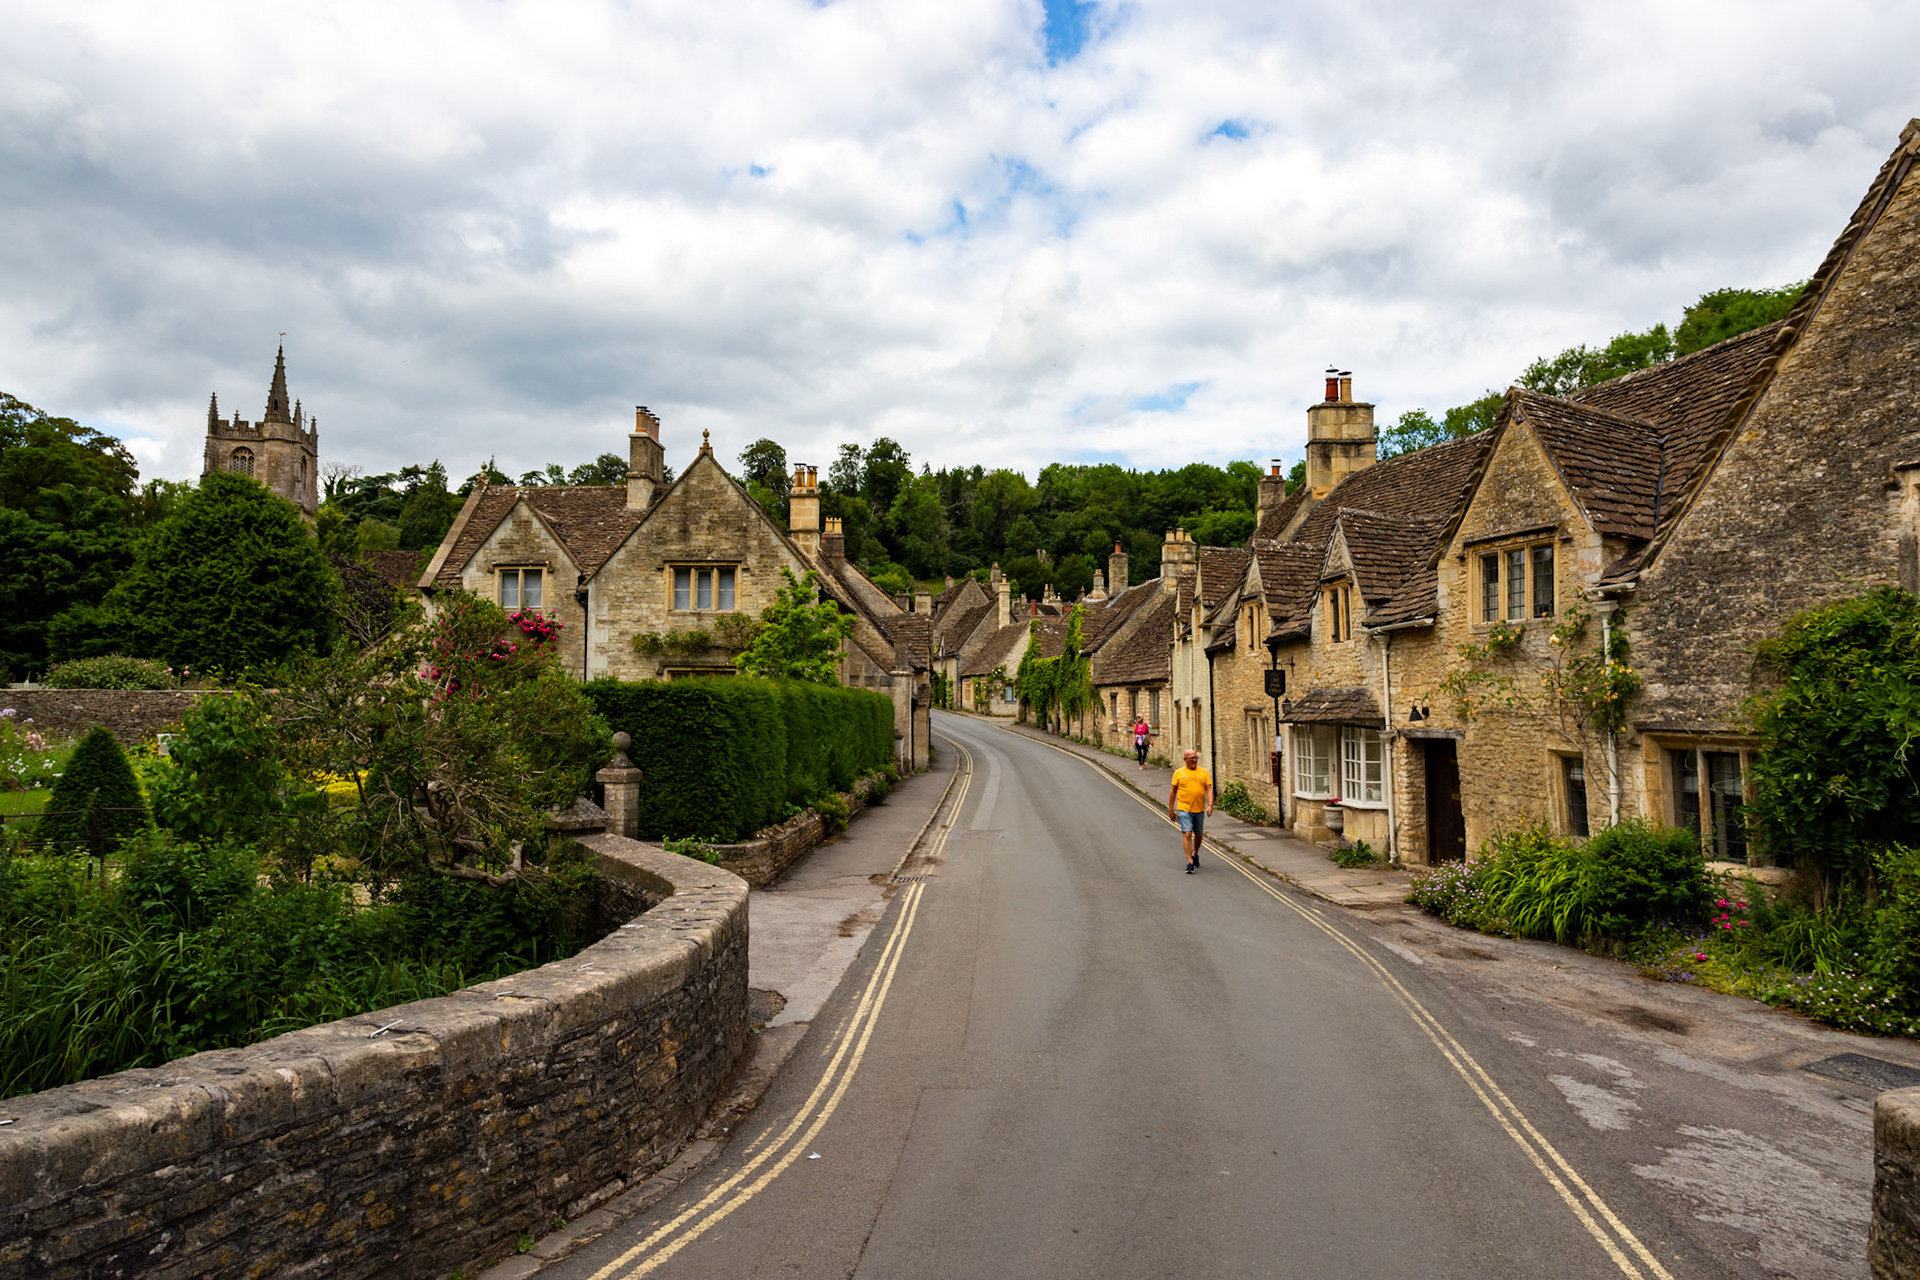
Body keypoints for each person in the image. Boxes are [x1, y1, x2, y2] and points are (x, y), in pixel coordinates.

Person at [1168, 748, 1213, 874]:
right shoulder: (1178, 773)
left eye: (1195, 757)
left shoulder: (1203, 773)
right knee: (1187, 833)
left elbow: (1209, 788)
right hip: (1184, 808)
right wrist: (1171, 809)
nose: (1194, 760)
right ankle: (1189, 862)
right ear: (1185, 760)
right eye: (1191, 758)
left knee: (1198, 834)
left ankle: (1195, 853)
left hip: (1199, 808)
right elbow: (1173, 792)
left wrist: (1210, 805)